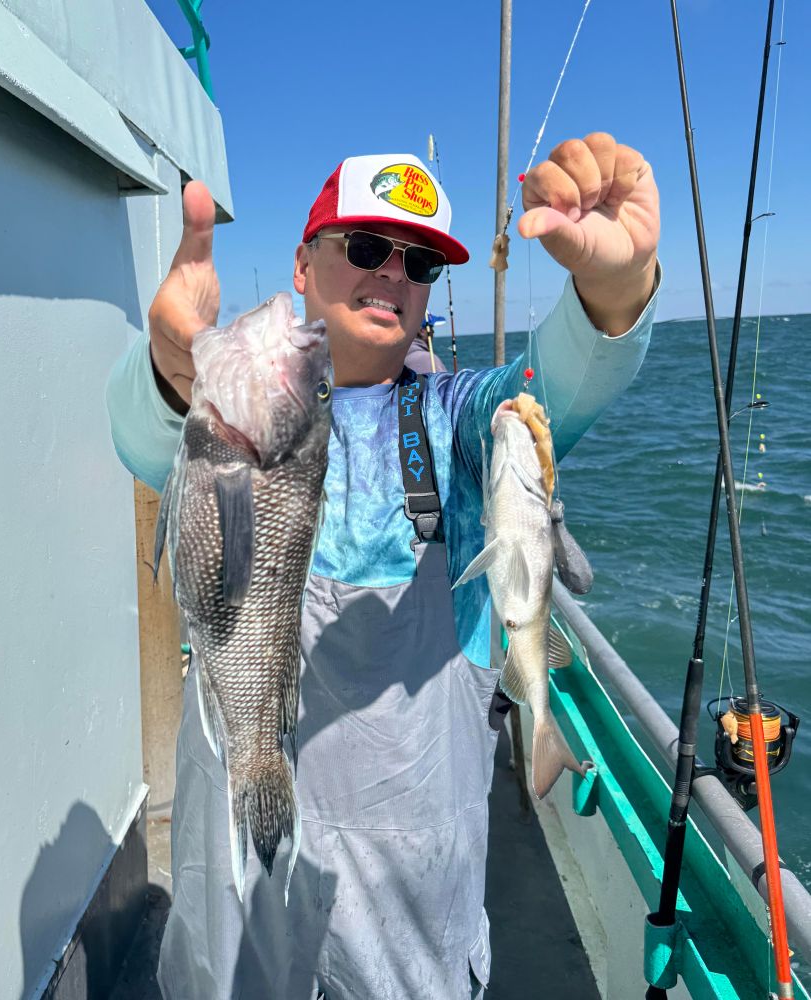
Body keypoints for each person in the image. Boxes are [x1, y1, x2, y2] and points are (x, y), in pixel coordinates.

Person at [106, 135, 660, 999]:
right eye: (365, 248)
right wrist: (172, 375)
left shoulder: (461, 419)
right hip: (240, 887)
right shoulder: (238, 401)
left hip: (410, 900)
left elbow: (557, 386)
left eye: (420, 263)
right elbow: (147, 443)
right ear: (302, 263)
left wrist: (613, 288)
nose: (392, 275)